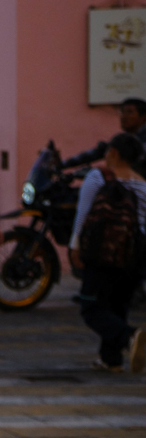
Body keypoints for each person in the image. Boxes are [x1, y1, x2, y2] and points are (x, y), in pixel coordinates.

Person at [70, 133, 146, 372]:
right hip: (135, 254)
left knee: (91, 307)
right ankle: (111, 360)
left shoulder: (99, 176)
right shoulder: (142, 184)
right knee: (117, 305)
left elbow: (83, 214)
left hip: (102, 252)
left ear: (113, 153)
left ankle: (130, 337)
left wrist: (75, 245)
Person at [64, 97, 146, 169]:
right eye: (122, 112)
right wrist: (62, 165)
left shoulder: (139, 140)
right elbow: (97, 153)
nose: (124, 116)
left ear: (143, 117)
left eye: (129, 112)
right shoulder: (125, 139)